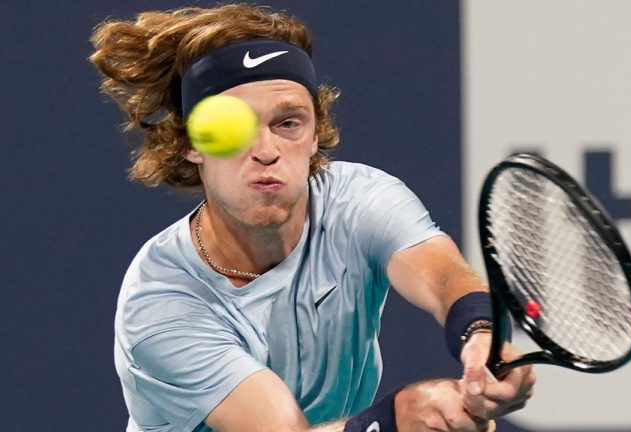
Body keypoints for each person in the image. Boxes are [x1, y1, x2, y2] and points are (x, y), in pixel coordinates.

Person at [90, 4, 535, 432]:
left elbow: (445, 279)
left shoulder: (358, 200)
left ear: (316, 133)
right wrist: (397, 418)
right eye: (231, 128)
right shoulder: (160, 304)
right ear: (191, 143)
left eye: (288, 123)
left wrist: (480, 339)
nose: (266, 151)